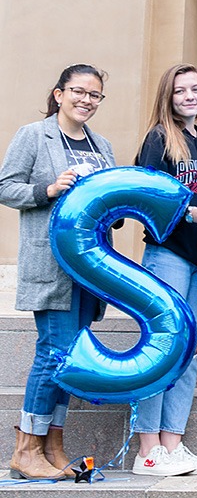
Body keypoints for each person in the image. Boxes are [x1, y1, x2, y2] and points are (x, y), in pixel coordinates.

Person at [0, 64, 116, 480]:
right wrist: (49, 189)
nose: (86, 100)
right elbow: (5, 186)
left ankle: (54, 446)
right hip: (51, 264)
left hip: (90, 268)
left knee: (75, 357)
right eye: (79, 91)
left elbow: (111, 204)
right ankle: (26, 448)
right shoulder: (35, 135)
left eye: (95, 95)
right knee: (55, 352)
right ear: (59, 93)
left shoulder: (102, 146)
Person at [130, 65, 197, 476]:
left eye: (196, 89)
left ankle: (173, 445)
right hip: (167, 254)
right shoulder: (158, 138)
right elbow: (146, 197)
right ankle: (147, 450)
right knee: (162, 348)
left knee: (191, 353)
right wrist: (195, 214)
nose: (189, 96)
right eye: (180, 90)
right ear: (168, 97)